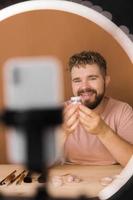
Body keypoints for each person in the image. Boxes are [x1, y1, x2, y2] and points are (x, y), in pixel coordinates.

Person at [62, 51, 133, 167]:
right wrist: (62, 133)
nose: (84, 86)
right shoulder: (61, 112)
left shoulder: (122, 110)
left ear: (106, 80)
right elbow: (37, 165)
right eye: (77, 80)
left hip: (113, 179)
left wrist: (103, 131)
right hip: (70, 179)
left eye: (92, 78)